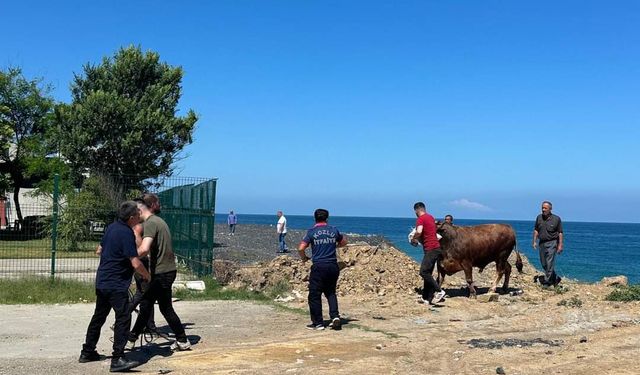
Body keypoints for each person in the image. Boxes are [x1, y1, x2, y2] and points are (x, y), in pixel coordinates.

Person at [79, 201, 150, 372]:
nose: (140, 217)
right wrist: (147, 275)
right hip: (116, 284)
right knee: (124, 318)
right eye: (138, 214)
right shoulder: (126, 233)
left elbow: (99, 250)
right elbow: (134, 262)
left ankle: (87, 351)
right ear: (132, 217)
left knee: (99, 316)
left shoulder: (112, 227)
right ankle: (117, 358)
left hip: (102, 280)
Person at [126, 193, 191, 351]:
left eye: (134, 215)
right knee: (164, 308)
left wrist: (127, 257)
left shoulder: (150, 223)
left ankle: (131, 338)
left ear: (139, 212)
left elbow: (144, 249)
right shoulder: (159, 221)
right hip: (166, 271)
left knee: (147, 304)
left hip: (162, 273)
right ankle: (182, 340)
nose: (134, 219)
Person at [298, 209, 347, 330]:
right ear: (327, 218)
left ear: (315, 218)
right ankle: (335, 316)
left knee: (314, 294)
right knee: (330, 292)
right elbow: (344, 242)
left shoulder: (312, 232)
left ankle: (318, 323)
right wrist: (334, 245)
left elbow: (301, 248)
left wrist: (304, 258)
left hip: (319, 266)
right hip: (332, 266)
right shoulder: (333, 230)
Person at [410, 202, 446, 305]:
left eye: (415, 212)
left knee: (423, 272)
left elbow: (419, 231)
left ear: (417, 210)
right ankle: (426, 298)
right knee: (428, 273)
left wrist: (414, 238)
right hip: (436, 248)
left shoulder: (420, 219)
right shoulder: (430, 217)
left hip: (431, 249)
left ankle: (439, 291)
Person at [532, 201, 564, 287]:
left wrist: (560, 245)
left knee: (549, 262)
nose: (543, 210)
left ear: (550, 209)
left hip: (552, 243)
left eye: (545, 208)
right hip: (541, 243)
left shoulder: (556, 219)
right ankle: (555, 278)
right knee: (544, 263)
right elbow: (536, 230)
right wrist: (534, 241)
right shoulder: (539, 218)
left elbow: (560, 232)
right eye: (542, 208)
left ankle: (547, 282)